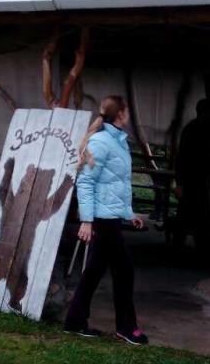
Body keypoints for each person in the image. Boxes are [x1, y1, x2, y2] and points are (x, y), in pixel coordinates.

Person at [63, 95, 149, 345]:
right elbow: (85, 182)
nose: (129, 115)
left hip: (109, 217)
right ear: (120, 114)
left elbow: (117, 184)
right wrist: (87, 221)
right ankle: (126, 328)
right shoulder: (101, 142)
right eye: (127, 111)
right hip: (102, 219)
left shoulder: (117, 141)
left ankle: (74, 321)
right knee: (124, 271)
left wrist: (129, 214)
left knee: (94, 271)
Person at [173, 98, 210, 266]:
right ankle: (178, 250)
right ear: (204, 112)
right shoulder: (191, 129)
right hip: (191, 180)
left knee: (202, 218)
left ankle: (201, 251)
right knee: (185, 216)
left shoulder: (207, 129)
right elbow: (182, 157)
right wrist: (179, 183)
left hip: (202, 180)